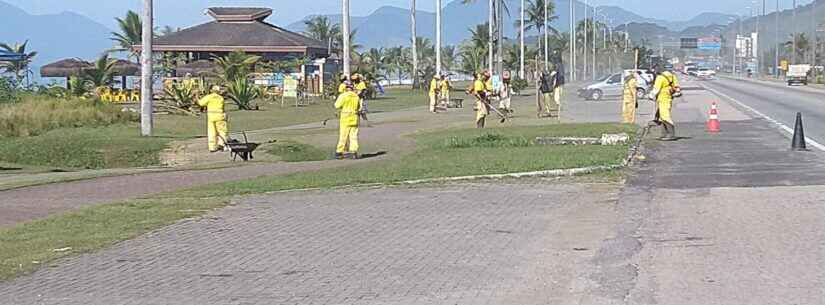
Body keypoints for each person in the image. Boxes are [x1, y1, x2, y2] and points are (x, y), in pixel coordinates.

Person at [649, 66, 681, 141]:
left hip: (662, 98)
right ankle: (664, 134)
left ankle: (671, 134)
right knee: (662, 116)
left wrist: (650, 96)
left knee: (665, 116)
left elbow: (656, 89)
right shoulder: (673, 76)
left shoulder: (660, 78)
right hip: (669, 98)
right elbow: (677, 88)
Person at [335, 81, 362, 159]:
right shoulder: (356, 96)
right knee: (353, 136)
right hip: (354, 117)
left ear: (346, 88)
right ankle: (354, 152)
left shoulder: (343, 96)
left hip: (345, 118)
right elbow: (359, 107)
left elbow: (337, 105)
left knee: (343, 136)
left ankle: (339, 151)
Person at [197, 85, 228, 152]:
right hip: (220, 116)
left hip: (211, 116)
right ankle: (222, 144)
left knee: (211, 131)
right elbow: (223, 108)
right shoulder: (221, 98)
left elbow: (201, 103)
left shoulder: (209, 97)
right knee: (222, 131)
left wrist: (197, 98)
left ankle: (212, 147)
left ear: (211, 90)